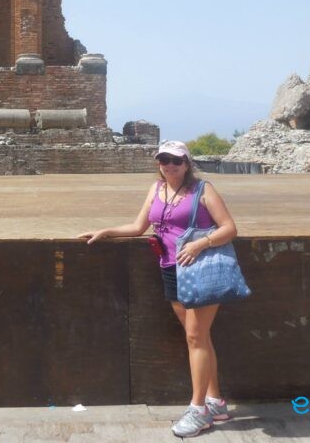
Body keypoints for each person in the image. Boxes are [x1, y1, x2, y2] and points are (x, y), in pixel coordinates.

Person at [78, 140, 238, 438]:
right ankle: (216, 402)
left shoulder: (203, 190)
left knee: (195, 337)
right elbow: (140, 226)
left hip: (199, 269)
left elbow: (229, 227)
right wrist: (106, 231)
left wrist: (200, 243)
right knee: (198, 337)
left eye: (176, 161)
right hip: (170, 268)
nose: (169, 165)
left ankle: (198, 410)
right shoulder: (156, 189)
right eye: (164, 160)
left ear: (187, 163)